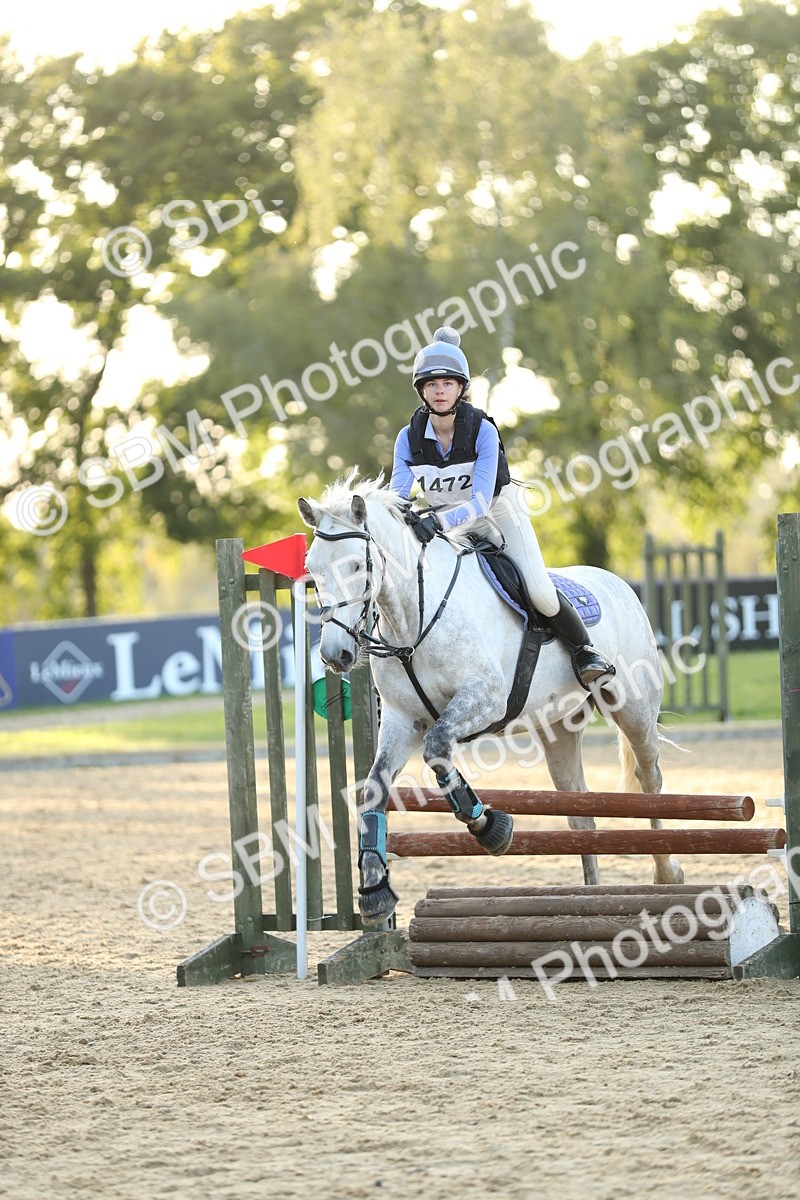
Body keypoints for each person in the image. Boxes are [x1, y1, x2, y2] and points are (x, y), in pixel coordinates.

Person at [390, 326, 615, 688]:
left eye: (448, 383)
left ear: (461, 387)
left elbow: (479, 501)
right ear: (421, 390)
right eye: (431, 384)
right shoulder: (408, 437)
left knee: (538, 590)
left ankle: (585, 651)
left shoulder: (482, 430)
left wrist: (437, 522)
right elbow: (397, 497)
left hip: (497, 514)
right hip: (445, 526)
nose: (440, 390)